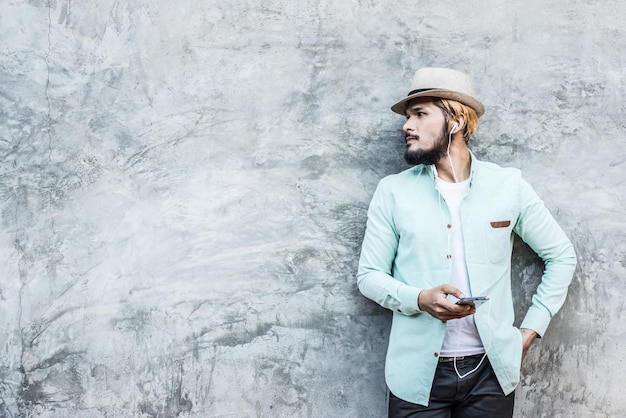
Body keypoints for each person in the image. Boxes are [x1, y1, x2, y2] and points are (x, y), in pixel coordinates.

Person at [356, 67, 577, 417]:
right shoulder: (393, 192)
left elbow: (561, 256)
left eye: (420, 114)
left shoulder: (509, 186)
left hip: (490, 374)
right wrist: (420, 299)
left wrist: (530, 331)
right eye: (408, 116)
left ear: (456, 122)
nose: (406, 126)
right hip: (416, 377)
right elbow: (368, 275)